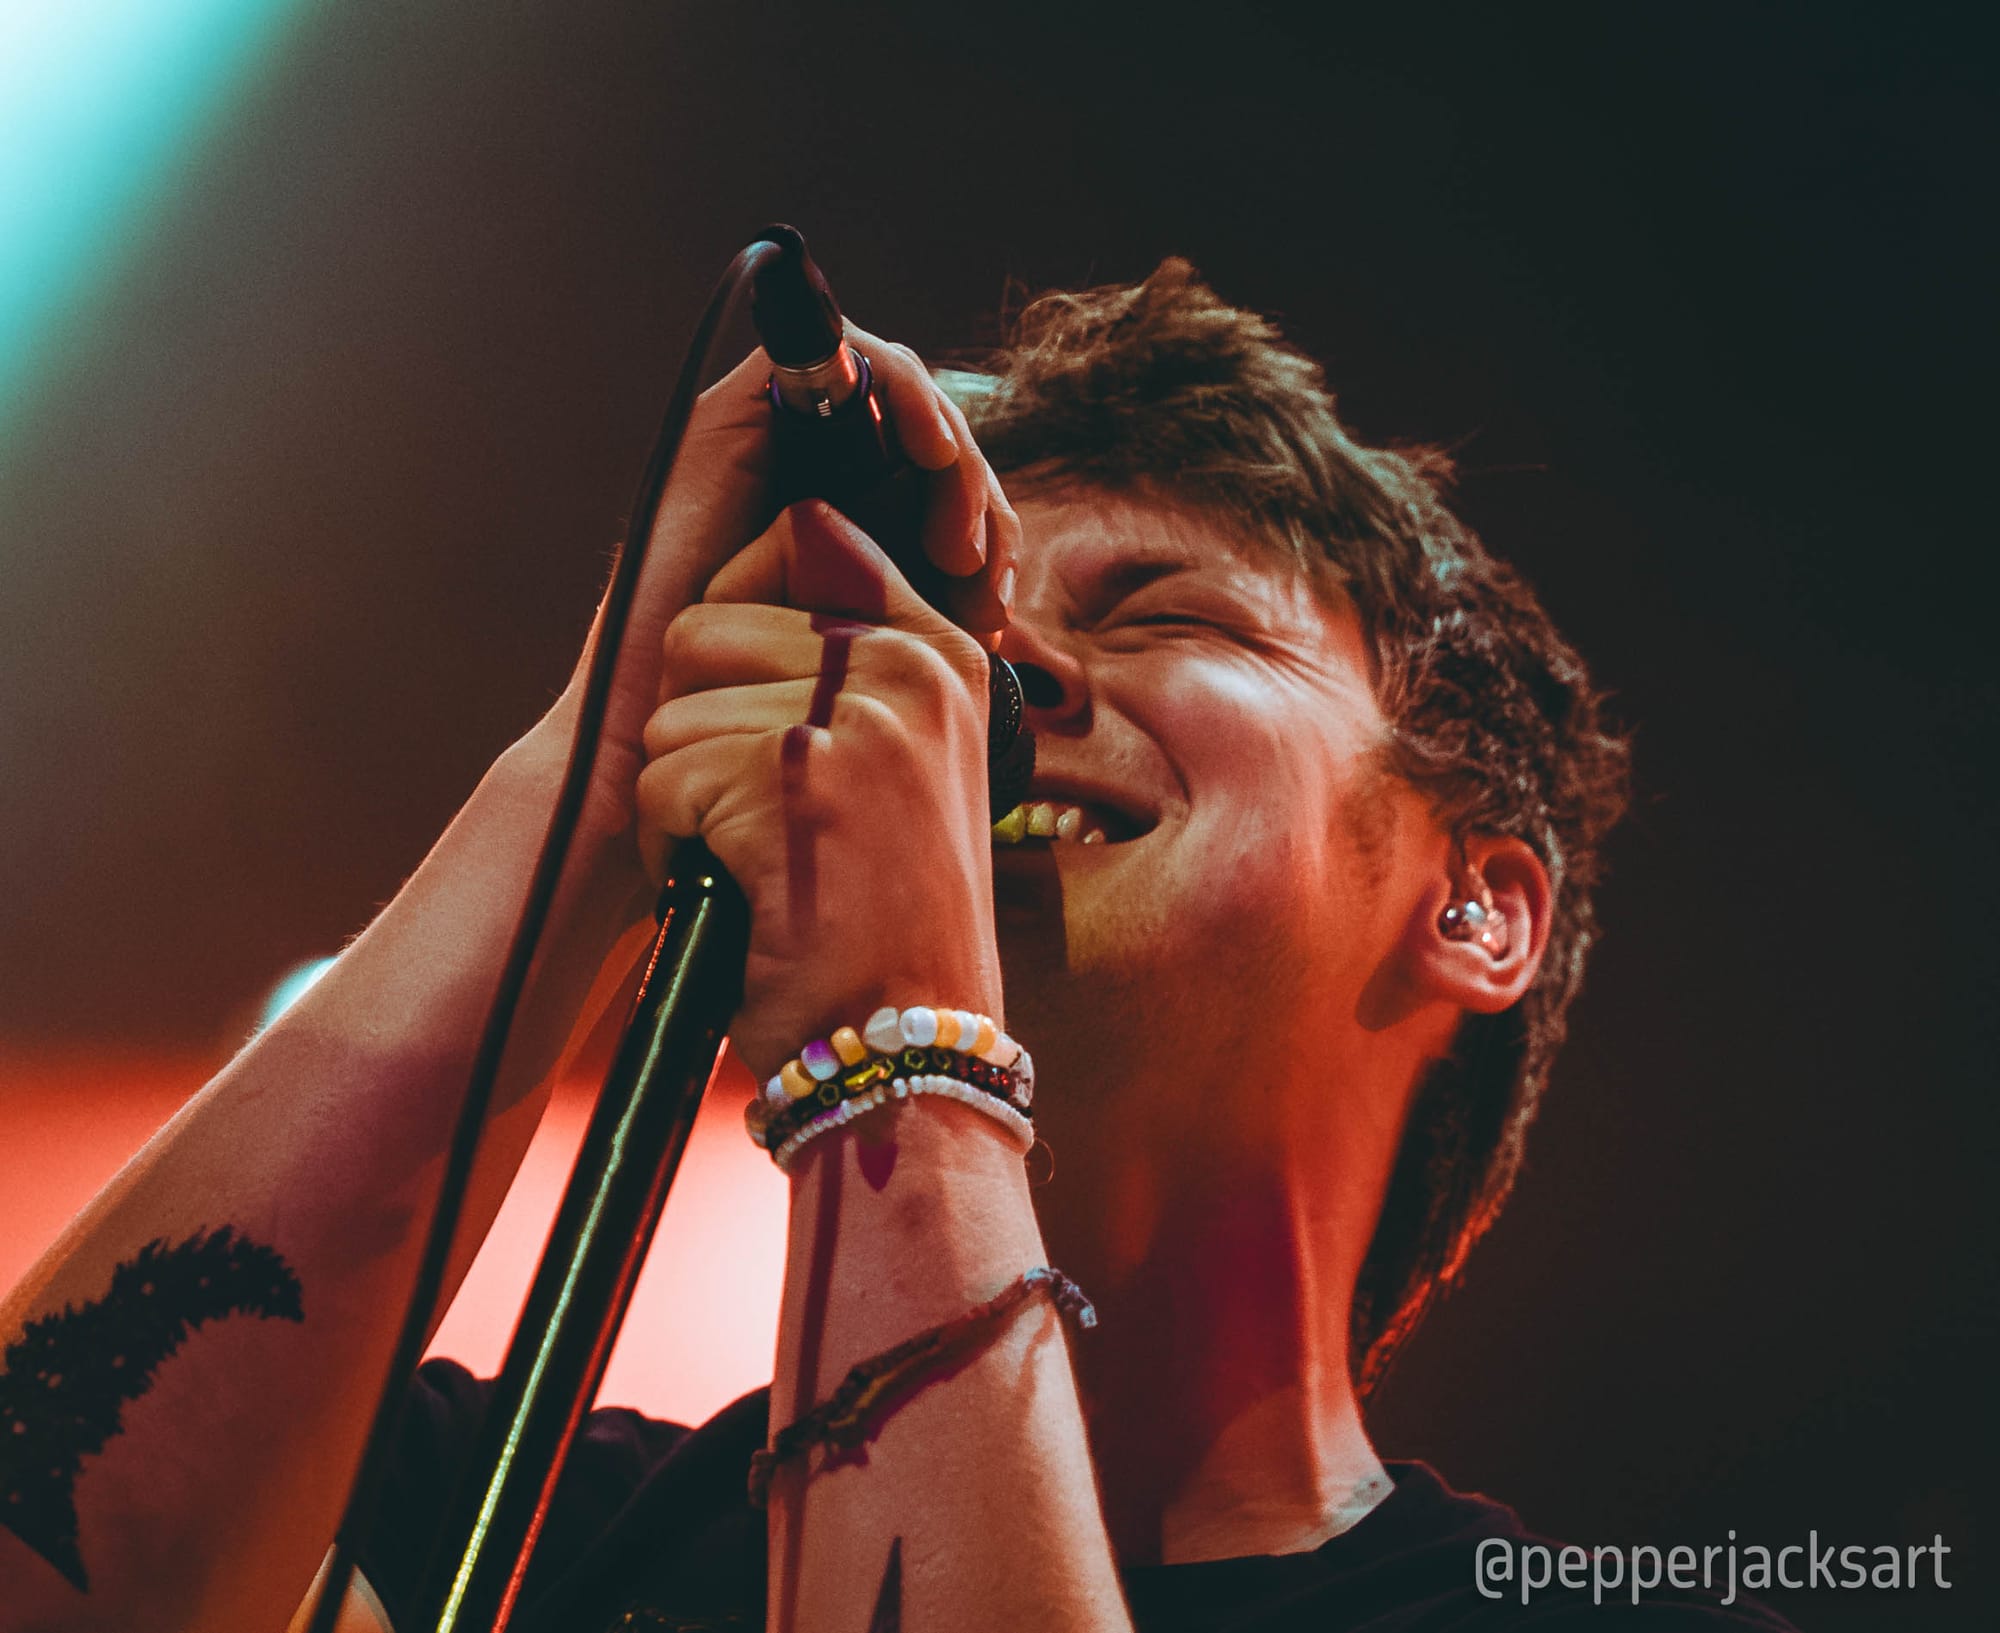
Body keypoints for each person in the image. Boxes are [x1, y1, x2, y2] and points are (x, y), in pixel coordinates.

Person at [0, 262, 1795, 1632]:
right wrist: (599, 761)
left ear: (1477, 906)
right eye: (967, 624)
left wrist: (904, 1040)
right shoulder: (525, 1513)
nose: (988, 678)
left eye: (1161, 611)